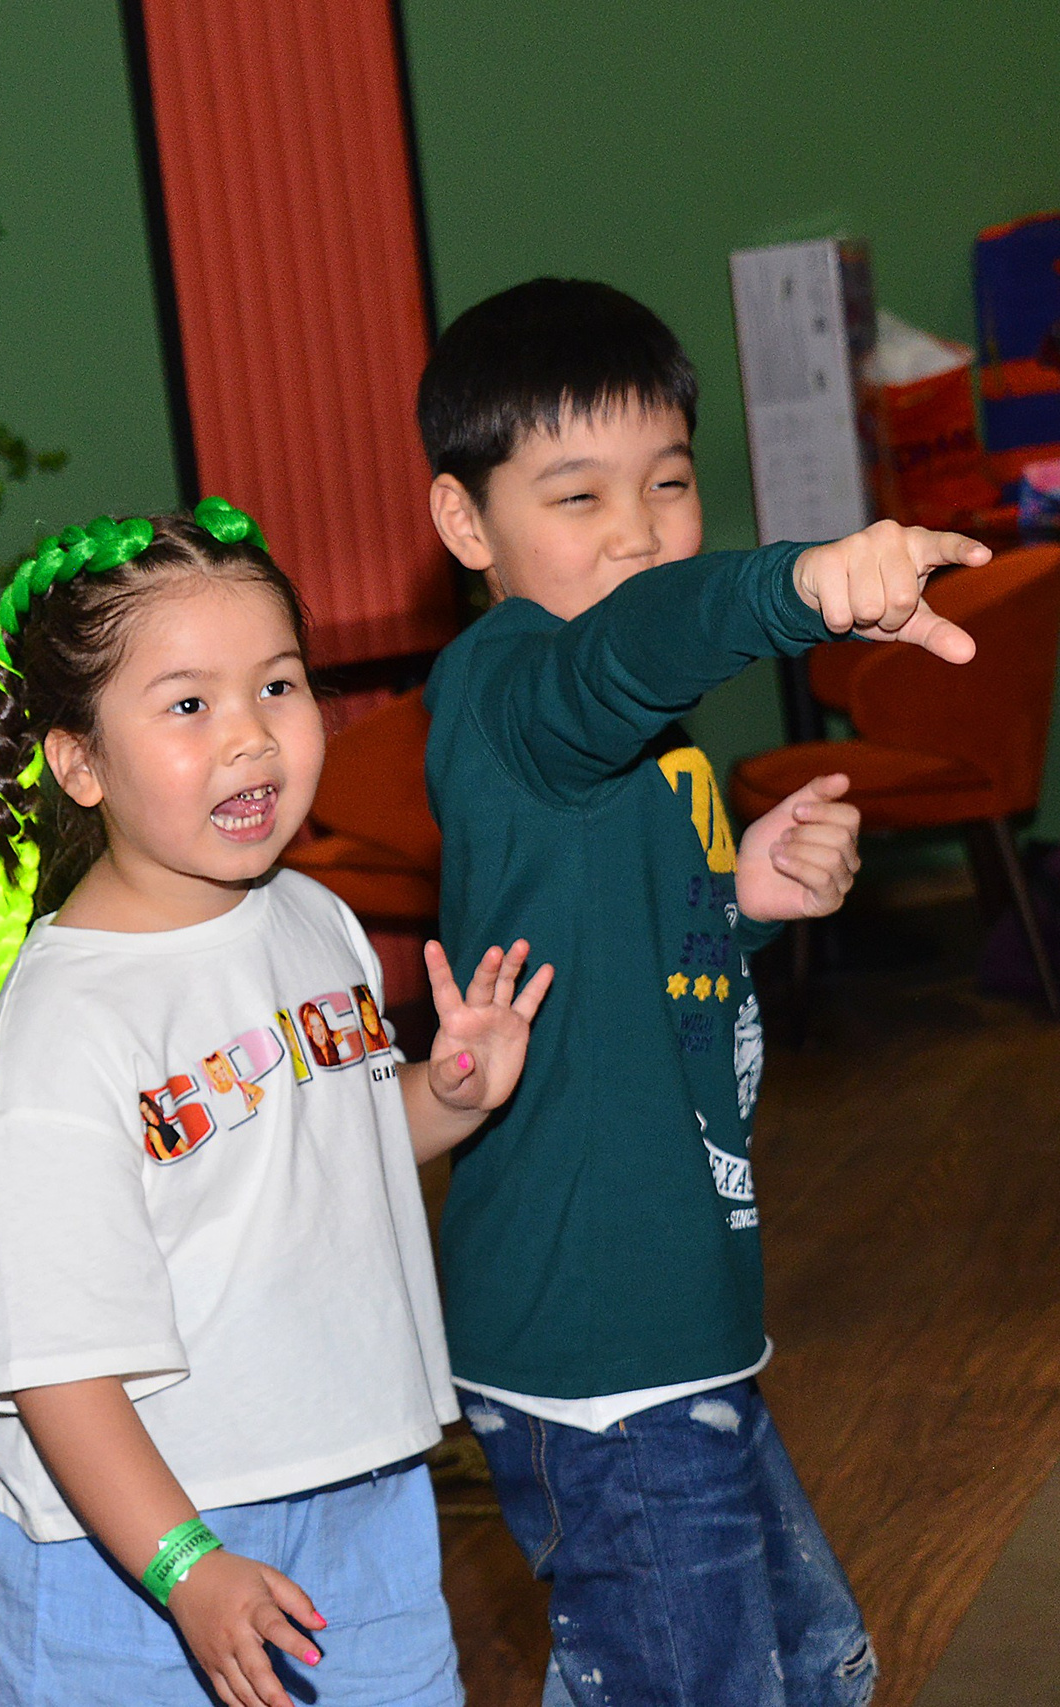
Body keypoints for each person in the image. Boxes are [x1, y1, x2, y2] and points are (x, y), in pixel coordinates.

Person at [417, 277, 983, 1707]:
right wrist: (799, 585)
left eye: (667, 483)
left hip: (676, 1315)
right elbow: (630, 644)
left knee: (808, 1661)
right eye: (577, 493)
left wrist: (745, 901)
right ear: (466, 525)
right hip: (597, 1345)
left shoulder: (634, 738)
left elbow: (614, 944)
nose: (636, 528)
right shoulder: (517, 687)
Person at [0, 501, 554, 1707]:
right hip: (126, 1550)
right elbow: (56, 1372)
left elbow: (339, 1137)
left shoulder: (312, 920)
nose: (251, 739)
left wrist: (453, 1091)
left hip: (356, 1482)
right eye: (187, 705)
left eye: (277, 687)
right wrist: (186, 1566)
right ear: (78, 760)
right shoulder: (67, 1026)